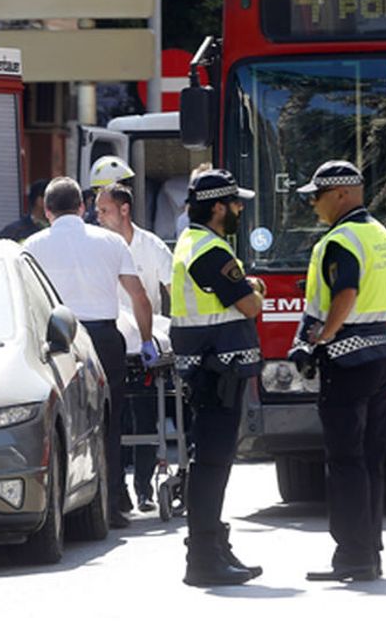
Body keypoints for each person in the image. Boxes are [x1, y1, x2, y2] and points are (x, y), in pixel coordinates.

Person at [289, 159, 386, 583]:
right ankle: (371, 553)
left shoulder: (341, 239)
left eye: (317, 197)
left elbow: (346, 290)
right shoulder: (380, 234)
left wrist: (323, 336)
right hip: (382, 351)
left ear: (341, 194)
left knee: (344, 459)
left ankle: (353, 557)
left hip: (347, 358)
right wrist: (377, 317)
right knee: (370, 458)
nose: (314, 206)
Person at [24, 177, 158, 529]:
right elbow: (140, 296)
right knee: (107, 424)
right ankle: (110, 505)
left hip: (58, 340)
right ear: (82, 208)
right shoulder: (111, 242)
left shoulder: (31, 247)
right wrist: (146, 341)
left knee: (63, 423)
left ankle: (62, 506)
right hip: (103, 337)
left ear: (47, 211)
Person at [170, 168, 265, 587]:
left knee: (213, 462)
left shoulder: (201, 244)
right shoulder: (208, 249)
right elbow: (249, 306)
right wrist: (253, 290)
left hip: (213, 372)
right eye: (236, 203)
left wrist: (249, 288)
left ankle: (214, 546)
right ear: (219, 207)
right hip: (216, 373)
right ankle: (204, 557)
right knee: (211, 463)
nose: (241, 209)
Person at [95, 181, 173, 512]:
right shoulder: (97, 246)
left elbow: (172, 288)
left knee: (145, 417)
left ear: (124, 210)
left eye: (104, 210)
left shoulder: (151, 247)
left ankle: (143, 488)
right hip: (111, 342)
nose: (97, 217)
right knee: (113, 420)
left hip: (144, 344)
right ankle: (116, 491)